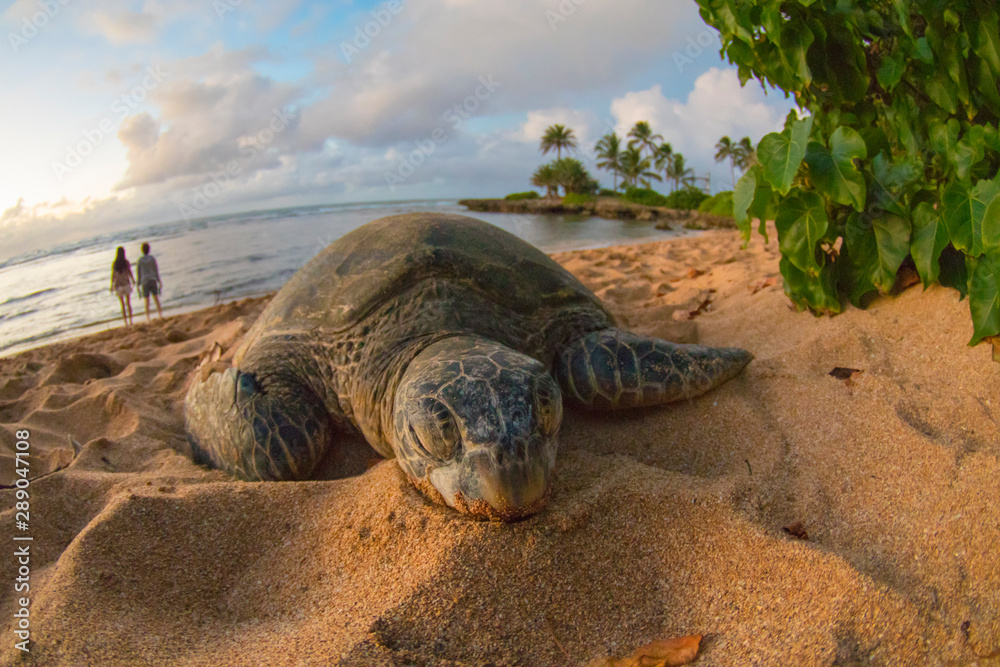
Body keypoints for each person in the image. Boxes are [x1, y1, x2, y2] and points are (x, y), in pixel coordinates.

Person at [136, 242, 163, 320]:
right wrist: (159, 281)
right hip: (152, 279)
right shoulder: (152, 259)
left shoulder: (140, 260)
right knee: (156, 298)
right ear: (149, 250)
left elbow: (139, 273)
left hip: (144, 281)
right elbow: (156, 270)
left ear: (142, 250)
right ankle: (160, 315)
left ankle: (148, 317)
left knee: (147, 301)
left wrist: (138, 284)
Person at [110, 246, 135, 326]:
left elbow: (113, 275)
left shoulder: (115, 263)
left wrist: (111, 285)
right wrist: (133, 280)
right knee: (128, 303)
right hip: (126, 284)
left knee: (122, 305)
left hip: (119, 286)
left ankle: (126, 322)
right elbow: (129, 272)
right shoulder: (126, 262)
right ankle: (131, 320)